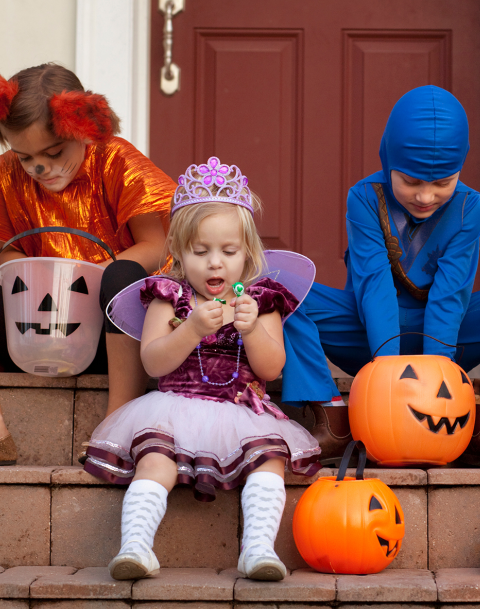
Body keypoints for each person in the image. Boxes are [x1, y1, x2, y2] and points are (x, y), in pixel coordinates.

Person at [281, 85, 480, 467]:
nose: (426, 197)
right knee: (280, 286)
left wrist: (435, 382)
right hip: (367, 336)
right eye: (411, 182)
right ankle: (332, 419)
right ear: (388, 161)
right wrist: (386, 378)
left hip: (450, 338)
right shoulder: (364, 199)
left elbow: (451, 296)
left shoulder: (468, 207)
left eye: (442, 183)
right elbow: (374, 284)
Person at [0, 54, 175, 466]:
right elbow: (1, 256)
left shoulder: (115, 161)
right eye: (25, 157)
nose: (41, 167)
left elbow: (157, 244)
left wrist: (95, 278)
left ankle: (118, 423)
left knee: (123, 275)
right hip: (35, 330)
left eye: (54, 152)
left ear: (85, 128)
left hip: (110, 336)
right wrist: (31, 274)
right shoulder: (3, 175)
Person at [83, 157, 321, 581]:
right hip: (173, 406)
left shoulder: (259, 302)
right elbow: (153, 361)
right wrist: (189, 329)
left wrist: (251, 331)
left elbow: (272, 366)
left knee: (269, 462)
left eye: (228, 252)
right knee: (155, 461)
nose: (215, 263)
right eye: (201, 251)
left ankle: (258, 550)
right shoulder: (169, 298)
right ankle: (136, 546)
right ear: (177, 252)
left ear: (247, 253)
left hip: (240, 413)